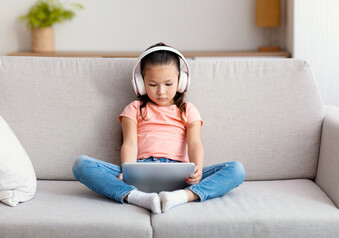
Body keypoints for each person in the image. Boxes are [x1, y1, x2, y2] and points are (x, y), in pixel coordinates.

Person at [72, 43, 245, 214]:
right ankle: (137, 197)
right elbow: (130, 142)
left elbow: (194, 143)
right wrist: (128, 170)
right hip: (140, 171)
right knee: (81, 165)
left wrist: (197, 169)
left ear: (181, 82)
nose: (161, 91)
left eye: (168, 84)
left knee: (236, 170)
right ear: (140, 83)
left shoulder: (188, 110)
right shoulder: (134, 108)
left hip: (182, 176)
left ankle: (183, 196)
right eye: (153, 85)